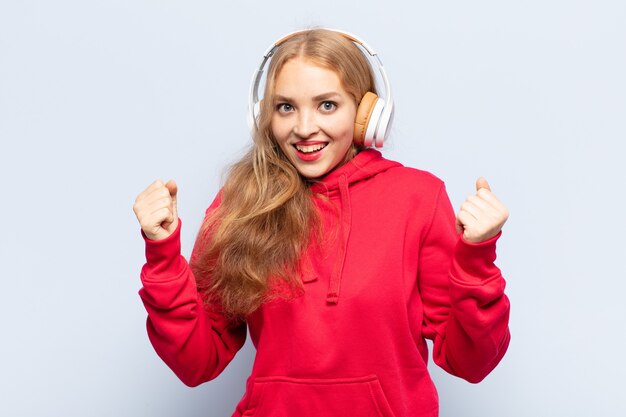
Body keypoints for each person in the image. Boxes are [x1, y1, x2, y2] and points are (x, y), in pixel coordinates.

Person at [133, 28, 511, 417]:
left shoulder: (418, 198)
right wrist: (162, 255)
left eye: (326, 105)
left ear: (366, 114)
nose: (303, 127)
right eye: (286, 107)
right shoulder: (241, 203)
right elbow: (197, 362)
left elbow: (472, 362)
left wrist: (477, 259)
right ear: (264, 116)